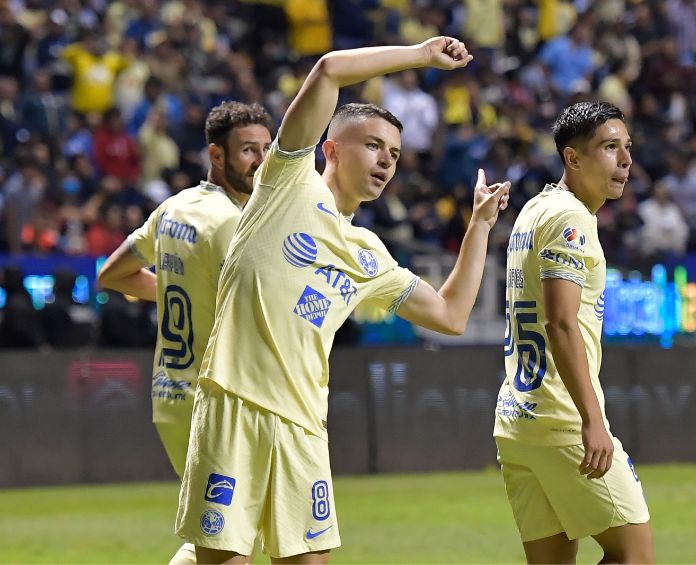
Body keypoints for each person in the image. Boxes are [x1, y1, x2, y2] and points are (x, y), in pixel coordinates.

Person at [174, 37, 510, 564]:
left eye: (395, 154)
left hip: (305, 425)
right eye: (374, 145)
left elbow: (450, 314)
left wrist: (480, 227)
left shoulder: (367, 252)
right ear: (330, 148)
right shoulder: (286, 182)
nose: (386, 161)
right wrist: (422, 55)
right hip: (235, 402)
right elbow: (329, 69)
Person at [97, 101, 274, 565]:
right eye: (247, 151)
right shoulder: (235, 224)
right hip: (215, 403)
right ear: (216, 156)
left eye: (266, 149)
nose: (260, 161)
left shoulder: (175, 207)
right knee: (230, 546)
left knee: (215, 537)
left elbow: (112, 275)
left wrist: (183, 290)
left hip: (170, 395)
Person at [494, 101, 654, 564]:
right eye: (609, 147)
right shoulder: (571, 219)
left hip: (517, 421)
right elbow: (561, 322)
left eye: (627, 148)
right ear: (573, 158)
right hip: (561, 419)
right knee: (635, 556)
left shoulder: (534, 210)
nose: (625, 161)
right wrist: (592, 420)